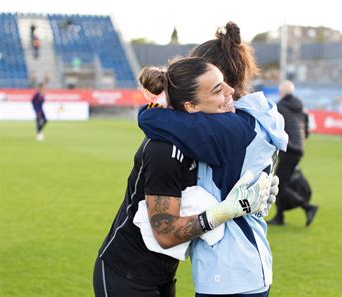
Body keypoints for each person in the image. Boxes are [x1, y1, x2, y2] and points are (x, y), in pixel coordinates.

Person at [93, 57, 273, 297]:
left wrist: (263, 188)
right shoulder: (165, 149)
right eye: (218, 89)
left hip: (163, 274)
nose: (231, 92)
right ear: (191, 106)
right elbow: (166, 233)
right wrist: (227, 210)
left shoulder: (198, 138)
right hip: (125, 275)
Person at [137, 22, 288, 296]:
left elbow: (150, 117)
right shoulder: (254, 119)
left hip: (228, 267)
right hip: (249, 260)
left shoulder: (229, 130)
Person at [267, 80, 318, 227]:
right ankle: (280, 217)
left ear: (281, 93)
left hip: (288, 148)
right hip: (299, 149)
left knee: (279, 185)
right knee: (281, 183)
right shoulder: (300, 108)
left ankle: (307, 207)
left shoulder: (280, 107)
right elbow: (306, 131)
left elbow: (274, 127)